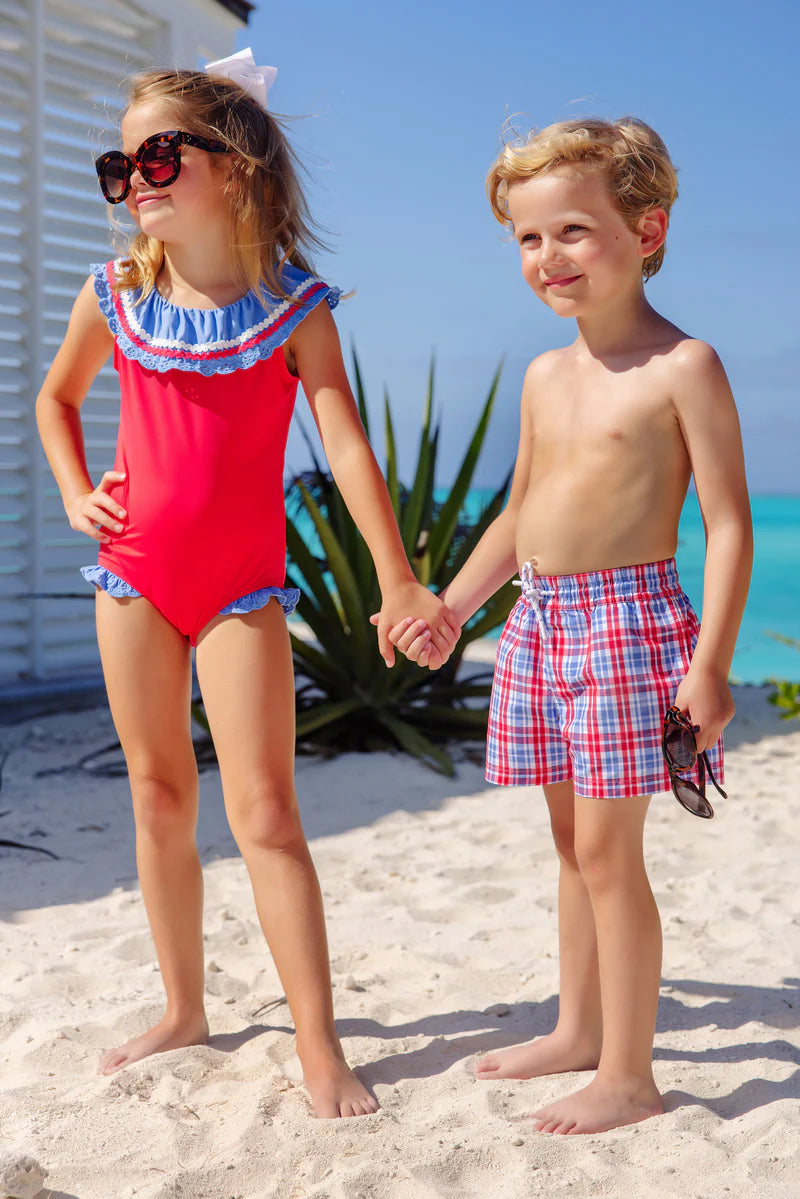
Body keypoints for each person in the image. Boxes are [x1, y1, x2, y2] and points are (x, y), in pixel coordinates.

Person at [36, 49, 458, 1119]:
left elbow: (347, 447)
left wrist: (398, 578)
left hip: (241, 590)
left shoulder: (295, 307)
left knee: (266, 810)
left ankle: (319, 1043)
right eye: (120, 165)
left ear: (235, 166)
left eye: (158, 157)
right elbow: (56, 399)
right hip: (132, 579)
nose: (135, 180)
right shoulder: (114, 294)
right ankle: (184, 1008)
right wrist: (77, 492)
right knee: (157, 794)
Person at [385, 117, 752, 1134]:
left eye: (573, 231)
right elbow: (519, 514)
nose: (547, 255)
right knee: (568, 844)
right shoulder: (543, 376)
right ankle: (580, 1027)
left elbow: (727, 525)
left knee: (608, 852)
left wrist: (711, 665)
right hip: (543, 621)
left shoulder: (683, 364)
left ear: (647, 230)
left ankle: (630, 1076)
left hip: (629, 623)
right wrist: (453, 607)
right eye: (527, 237)